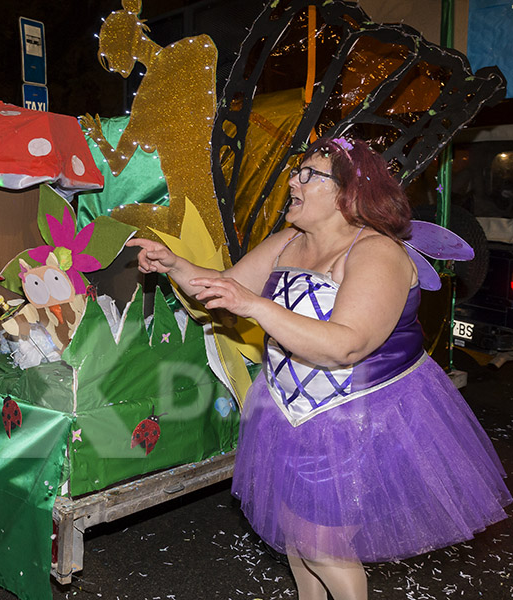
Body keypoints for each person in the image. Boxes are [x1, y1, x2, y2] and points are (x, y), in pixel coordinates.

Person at [129, 137, 512, 600]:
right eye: (296, 170)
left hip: (356, 417)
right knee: (298, 540)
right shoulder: (290, 240)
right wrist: (176, 265)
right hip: (289, 412)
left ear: (349, 194)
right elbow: (225, 288)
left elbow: (346, 345)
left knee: (326, 548)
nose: (293, 179)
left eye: (309, 174)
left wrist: (255, 306)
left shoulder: (377, 253)